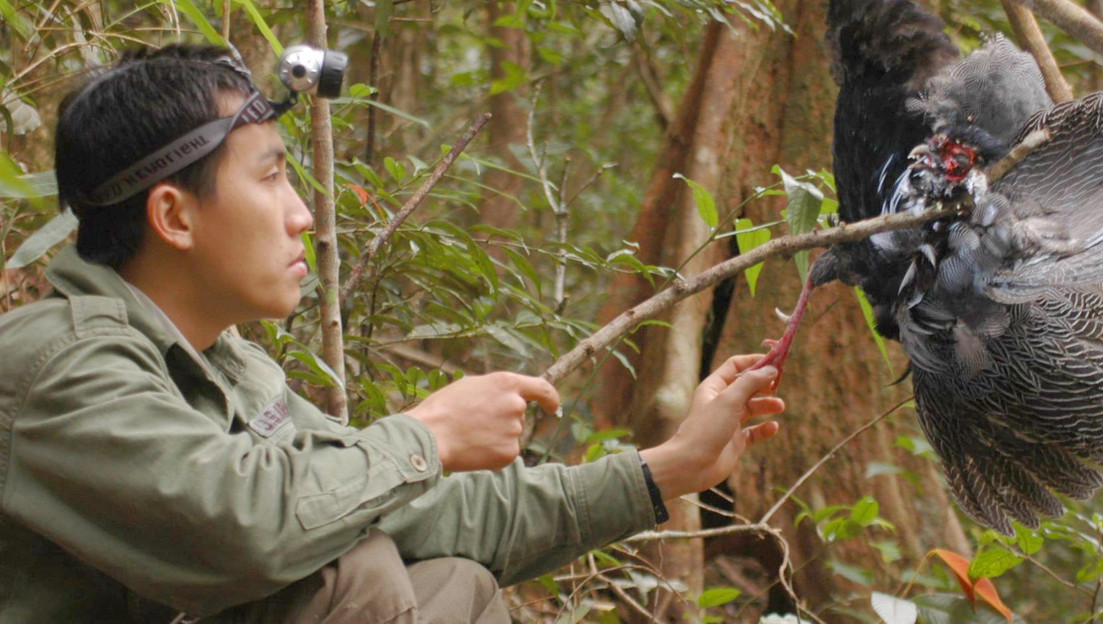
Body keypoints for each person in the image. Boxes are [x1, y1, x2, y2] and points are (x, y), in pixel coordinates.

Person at [0, 45, 785, 623]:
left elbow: (417, 512)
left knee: (457, 585)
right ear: (173, 216)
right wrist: (425, 435)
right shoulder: (59, 365)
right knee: (353, 575)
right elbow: (246, 524)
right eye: (271, 177)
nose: (302, 213)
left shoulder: (223, 363)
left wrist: (665, 470)